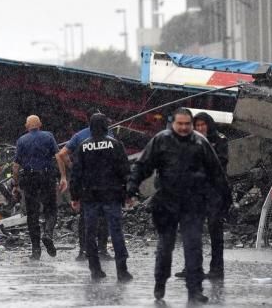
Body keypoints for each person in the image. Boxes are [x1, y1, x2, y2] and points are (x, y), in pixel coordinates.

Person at [127, 107, 230, 304]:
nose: (183, 128)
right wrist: (132, 186)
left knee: (194, 247)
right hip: (167, 203)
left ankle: (195, 289)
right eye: (180, 124)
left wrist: (225, 197)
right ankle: (160, 282)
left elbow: (216, 172)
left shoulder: (201, 143)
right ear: (173, 124)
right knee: (165, 248)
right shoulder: (161, 140)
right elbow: (143, 166)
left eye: (187, 124)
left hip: (193, 204)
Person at [70, 113, 133, 281]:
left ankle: (95, 269)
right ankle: (122, 270)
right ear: (106, 126)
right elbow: (125, 171)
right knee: (116, 232)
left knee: (90, 233)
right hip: (112, 195)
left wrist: (75, 197)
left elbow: (76, 174)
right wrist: (128, 194)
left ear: (90, 127)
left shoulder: (83, 147)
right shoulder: (115, 144)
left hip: (90, 197)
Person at [175, 112, 230, 280]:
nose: (200, 128)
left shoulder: (220, 140)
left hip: (214, 191)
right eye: (197, 125)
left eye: (202, 125)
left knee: (215, 230)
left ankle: (216, 269)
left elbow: (220, 162)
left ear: (209, 125)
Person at [11, 115, 66, 260]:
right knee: (51, 209)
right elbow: (59, 156)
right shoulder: (48, 136)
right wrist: (63, 177)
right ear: (40, 124)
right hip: (47, 177)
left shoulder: (21, 140)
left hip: (29, 179)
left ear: (26, 126)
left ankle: (36, 250)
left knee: (32, 215)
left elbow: (16, 166)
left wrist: (15, 185)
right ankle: (48, 233)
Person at [55, 121, 111, 261]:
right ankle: (102, 250)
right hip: (105, 183)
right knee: (104, 217)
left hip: (86, 184)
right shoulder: (110, 138)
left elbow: (61, 154)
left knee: (85, 217)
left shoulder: (80, 139)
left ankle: (83, 251)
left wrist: (72, 168)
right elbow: (119, 163)